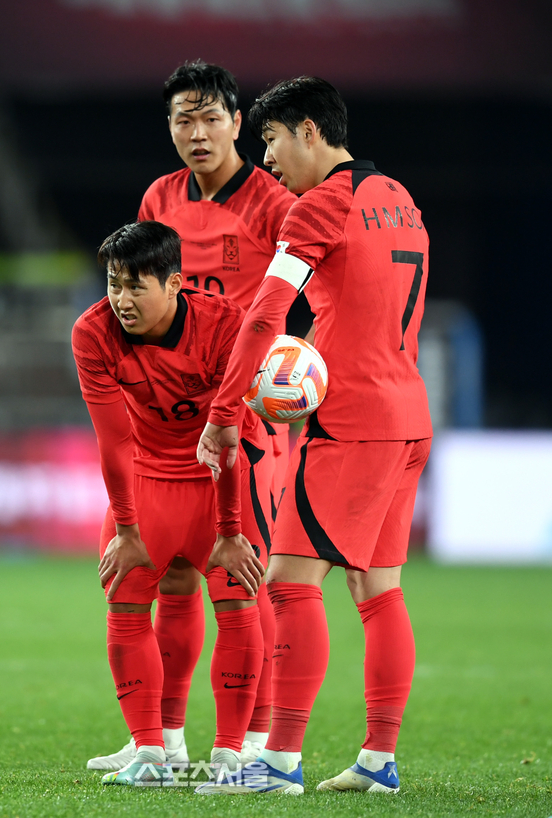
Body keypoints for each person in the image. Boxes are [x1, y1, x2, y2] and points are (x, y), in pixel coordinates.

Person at [195, 76, 432, 796]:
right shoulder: (399, 197)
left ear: (308, 130)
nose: (265, 159)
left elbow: (267, 313)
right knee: (377, 588)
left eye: (269, 139)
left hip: (354, 422)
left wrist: (225, 413)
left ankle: (277, 762)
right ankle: (378, 760)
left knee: (290, 582)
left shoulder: (321, 204)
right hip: (408, 414)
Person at [88, 60, 296, 773]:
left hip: (246, 412)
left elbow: (304, 287)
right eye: (184, 120)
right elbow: (144, 282)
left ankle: (255, 743)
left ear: (238, 123)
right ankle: (164, 740)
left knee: (245, 576)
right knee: (172, 577)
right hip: (169, 415)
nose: (198, 133)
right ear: (170, 126)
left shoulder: (272, 201)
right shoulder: (160, 195)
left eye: (211, 119)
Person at [72, 220, 275, 785]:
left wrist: (231, 532)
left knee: (239, 600)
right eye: (114, 284)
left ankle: (232, 754)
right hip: (148, 480)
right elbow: (113, 441)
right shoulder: (92, 333)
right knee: (125, 599)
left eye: (136, 287)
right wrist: (127, 530)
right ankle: (152, 751)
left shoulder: (224, 326)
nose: (121, 300)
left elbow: (228, 439)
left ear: (174, 284)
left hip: (222, 480)